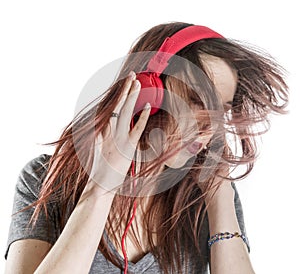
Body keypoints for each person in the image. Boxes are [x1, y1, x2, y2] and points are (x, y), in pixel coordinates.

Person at [4, 22, 288, 274]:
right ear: (147, 92)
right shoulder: (43, 179)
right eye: (197, 101)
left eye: (220, 111)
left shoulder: (209, 196)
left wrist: (220, 198)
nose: (208, 128)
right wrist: (101, 190)